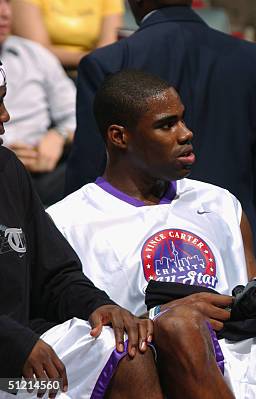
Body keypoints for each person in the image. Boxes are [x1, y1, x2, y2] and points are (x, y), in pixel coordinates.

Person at [48, 69, 256, 399]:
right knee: (181, 324)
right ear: (120, 136)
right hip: (158, 359)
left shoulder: (219, 201)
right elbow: (83, 337)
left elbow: (253, 284)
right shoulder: (66, 221)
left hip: (243, 346)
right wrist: (163, 315)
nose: (186, 133)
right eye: (167, 125)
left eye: (182, 119)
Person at [65, 0, 256, 269]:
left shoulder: (108, 62)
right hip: (234, 246)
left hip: (132, 255)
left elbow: (88, 170)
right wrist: (254, 246)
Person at [0, 64, 160, 398]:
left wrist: (98, 306)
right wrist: (16, 343)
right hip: (12, 351)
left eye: (4, 101)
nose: (6, 116)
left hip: (18, 358)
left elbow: (56, 274)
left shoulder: (7, 169)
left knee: (127, 347)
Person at [0, 0, 75, 206]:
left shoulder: (34, 54)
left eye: (6, 2)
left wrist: (58, 136)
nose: (4, 12)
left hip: (43, 171)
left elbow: (75, 112)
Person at [11, 0, 124, 70]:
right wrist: (89, 60)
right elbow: (36, 50)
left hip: (89, 69)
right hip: (39, 70)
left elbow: (108, 47)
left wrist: (94, 61)